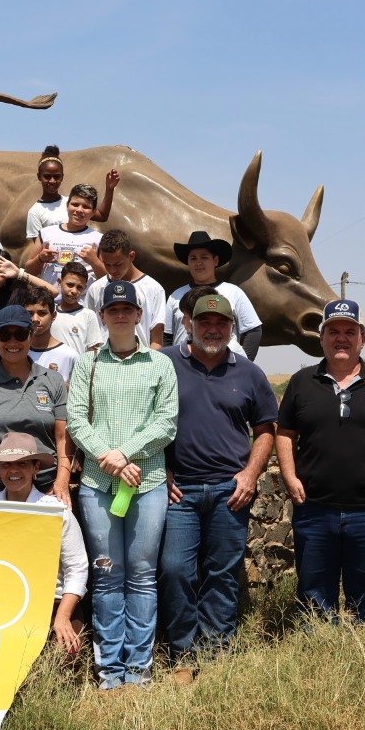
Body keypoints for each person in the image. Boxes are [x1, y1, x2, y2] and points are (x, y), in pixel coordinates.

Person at [158, 290, 277, 681]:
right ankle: (182, 654)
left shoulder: (249, 373)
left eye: (221, 324)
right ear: (189, 323)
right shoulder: (164, 364)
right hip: (181, 490)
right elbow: (144, 420)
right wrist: (163, 469)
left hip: (231, 491)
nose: (213, 329)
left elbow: (265, 430)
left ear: (231, 328)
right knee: (176, 570)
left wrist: (250, 473)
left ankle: (215, 654)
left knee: (222, 574)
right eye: (204, 322)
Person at [275, 299, 365, 626]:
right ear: (321, 338)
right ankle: (319, 661)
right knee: (313, 594)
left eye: (350, 331)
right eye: (333, 331)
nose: (342, 338)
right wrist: (289, 475)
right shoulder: (301, 382)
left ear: (362, 338)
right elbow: (284, 433)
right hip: (314, 508)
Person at [67, 281, 178, 690]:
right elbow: (77, 419)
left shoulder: (160, 364)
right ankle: (109, 668)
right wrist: (111, 462)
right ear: (102, 316)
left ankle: (139, 668)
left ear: (138, 315)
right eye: (111, 310)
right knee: (108, 574)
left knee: (143, 575)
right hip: (99, 484)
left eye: (126, 309)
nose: (119, 315)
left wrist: (124, 454)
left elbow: (166, 422)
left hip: (146, 483)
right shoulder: (87, 363)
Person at [0, 432, 88, 655]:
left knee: (65, 656)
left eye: (22, 464)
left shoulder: (56, 512)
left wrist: (62, 617)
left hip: (50, 603)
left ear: (35, 468)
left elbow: (77, 568)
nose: (13, 471)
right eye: (6, 465)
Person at [0, 305, 70, 500]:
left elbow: (62, 437)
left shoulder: (53, 380)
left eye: (20, 333)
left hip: (45, 487)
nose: (12, 341)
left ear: (31, 336)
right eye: (4, 335)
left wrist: (61, 481)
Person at [163, 230, 262, 360]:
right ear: (188, 262)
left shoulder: (233, 292)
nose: (198, 263)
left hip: (225, 370)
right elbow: (166, 336)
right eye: (193, 258)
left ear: (215, 260)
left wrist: (243, 364)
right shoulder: (176, 296)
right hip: (183, 369)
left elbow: (253, 330)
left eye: (204, 257)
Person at [83, 230, 166, 350]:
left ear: (131, 256)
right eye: (107, 264)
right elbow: (89, 333)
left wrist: (152, 366)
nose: (112, 270)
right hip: (103, 363)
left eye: (118, 264)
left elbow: (157, 337)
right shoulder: (95, 289)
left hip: (141, 363)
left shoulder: (154, 288)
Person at [27, 183, 106, 288]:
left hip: (83, 302)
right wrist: (40, 258)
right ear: (67, 205)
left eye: (86, 207)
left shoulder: (99, 239)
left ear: (93, 212)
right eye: (75, 204)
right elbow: (29, 271)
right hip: (48, 301)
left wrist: (94, 261)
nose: (79, 210)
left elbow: (107, 278)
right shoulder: (46, 233)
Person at [20, 284, 79, 382]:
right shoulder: (16, 352)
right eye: (29, 314)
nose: (35, 319)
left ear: (53, 315)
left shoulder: (70, 356)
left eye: (42, 313)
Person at [50, 261, 104, 357]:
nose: (74, 291)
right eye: (70, 285)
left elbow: (93, 350)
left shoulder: (88, 315)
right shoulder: (49, 313)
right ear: (59, 282)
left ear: (85, 288)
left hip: (78, 371)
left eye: (79, 287)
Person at [25, 145, 69, 239]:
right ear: (39, 177)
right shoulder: (35, 212)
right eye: (47, 176)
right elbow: (38, 246)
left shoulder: (70, 203)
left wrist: (109, 190)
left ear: (62, 177)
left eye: (56, 176)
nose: (52, 181)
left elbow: (102, 216)